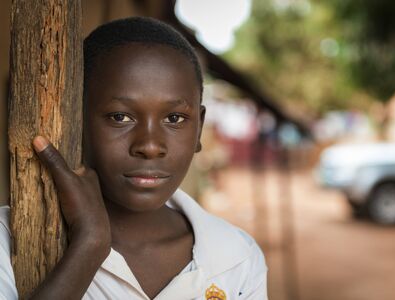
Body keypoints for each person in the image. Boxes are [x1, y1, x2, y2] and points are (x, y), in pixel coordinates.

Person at [0, 17, 267, 300]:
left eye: (174, 118)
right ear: (75, 121)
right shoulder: (9, 239)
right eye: (120, 117)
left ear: (199, 128)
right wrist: (88, 248)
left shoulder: (236, 257)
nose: (150, 146)